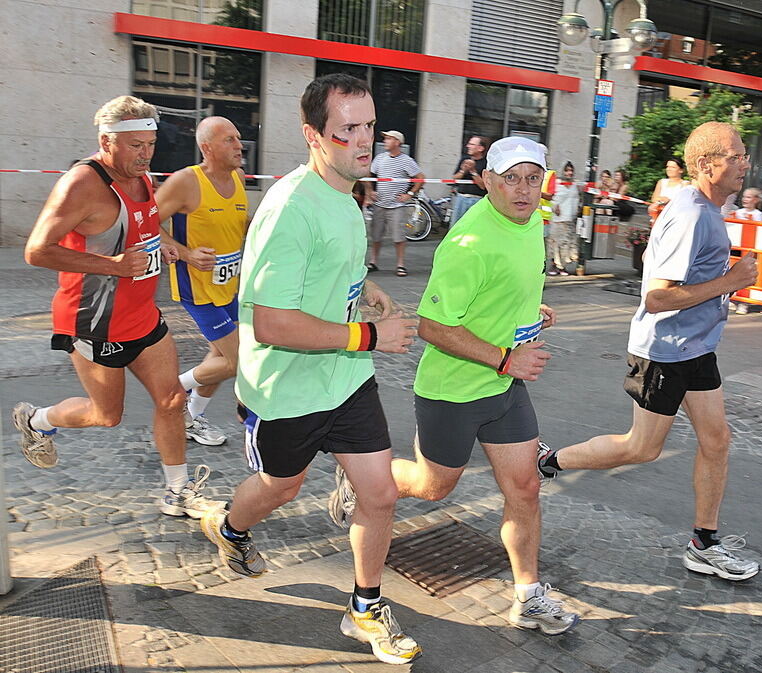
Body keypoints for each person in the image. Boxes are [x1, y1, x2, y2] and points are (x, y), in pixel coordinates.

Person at [199, 73, 421, 665]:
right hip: (286, 390)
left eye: (369, 125)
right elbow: (271, 322)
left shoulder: (347, 193)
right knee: (282, 485)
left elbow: (331, 265)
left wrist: (366, 288)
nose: (364, 140)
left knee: (380, 493)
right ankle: (229, 527)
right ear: (313, 136)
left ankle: (365, 607)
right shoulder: (290, 207)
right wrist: (370, 334)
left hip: (345, 379)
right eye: (347, 129)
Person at [330, 136, 581, 635]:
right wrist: (507, 357)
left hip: (504, 389)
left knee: (526, 486)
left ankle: (528, 595)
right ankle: (363, 479)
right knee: (432, 486)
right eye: (511, 179)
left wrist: (528, 314)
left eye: (533, 178)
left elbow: (500, 294)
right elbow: (432, 326)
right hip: (453, 391)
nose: (524, 190)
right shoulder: (469, 242)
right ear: (487, 181)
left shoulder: (532, 220)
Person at [537, 121, 761, 581]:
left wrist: (722, 290)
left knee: (717, 440)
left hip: (696, 347)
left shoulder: (706, 208)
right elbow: (656, 297)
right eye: (736, 156)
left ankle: (704, 542)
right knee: (640, 448)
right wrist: (732, 282)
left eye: (744, 155)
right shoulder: (693, 215)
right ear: (706, 164)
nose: (746, 163)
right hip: (664, 350)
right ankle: (547, 461)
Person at [14, 95, 221, 519]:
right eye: (135, 146)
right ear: (107, 141)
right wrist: (111, 264)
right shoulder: (82, 184)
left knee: (170, 400)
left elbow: (147, 226)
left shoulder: (141, 178)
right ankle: (37, 420)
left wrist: (176, 249)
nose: (145, 155)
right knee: (106, 416)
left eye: (150, 144)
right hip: (94, 322)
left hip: (143, 316)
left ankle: (177, 492)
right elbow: (36, 251)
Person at [155, 116, 248, 446]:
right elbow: (148, 224)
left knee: (219, 357)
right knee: (238, 361)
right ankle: (173, 392)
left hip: (230, 286)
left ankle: (191, 417)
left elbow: (236, 227)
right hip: (197, 289)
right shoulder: (186, 182)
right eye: (230, 140)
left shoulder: (238, 179)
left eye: (238, 139)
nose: (239, 145)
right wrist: (186, 253)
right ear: (206, 147)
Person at [364, 130, 425, 276]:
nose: (385, 141)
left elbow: (420, 178)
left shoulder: (406, 161)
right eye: (385, 138)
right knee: (376, 235)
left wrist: (409, 195)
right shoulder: (379, 158)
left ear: (398, 142)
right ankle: (373, 262)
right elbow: (368, 175)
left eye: (389, 139)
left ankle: (400, 265)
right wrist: (370, 191)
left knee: (398, 236)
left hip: (396, 206)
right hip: (379, 203)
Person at [548, 160, 580, 276]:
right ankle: (554, 265)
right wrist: (554, 207)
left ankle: (563, 267)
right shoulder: (556, 183)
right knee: (555, 243)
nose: (569, 173)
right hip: (557, 219)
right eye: (567, 170)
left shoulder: (574, 185)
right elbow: (551, 197)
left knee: (566, 244)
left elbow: (576, 199)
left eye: (571, 170)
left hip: (569, 218)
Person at [451, 135, 490, 223]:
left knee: (474, 226)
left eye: (472, 144)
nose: (468, 146)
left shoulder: (486, 163)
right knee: (456, 225)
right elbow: (455, 178)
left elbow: (483, 186)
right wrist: (463, 170)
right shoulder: (464, 159)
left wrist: (473, 171)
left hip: (477, 200)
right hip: (460, 197)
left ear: (480, 148)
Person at [648, 157, 689, 222]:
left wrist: (669, 201)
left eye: (673, 167)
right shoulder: (661, 182)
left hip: (675, 217)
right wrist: (661, 199)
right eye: (668, 167)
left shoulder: (685, 184)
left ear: (681, 170)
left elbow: (685, 202)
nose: (669, 169)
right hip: (658, 216)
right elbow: (654, 199)